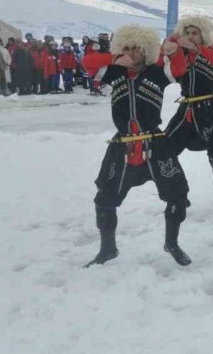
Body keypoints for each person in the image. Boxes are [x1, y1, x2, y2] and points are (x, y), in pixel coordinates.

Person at [81, 25, 193, 268]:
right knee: (104, 199)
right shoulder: (113, 72)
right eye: (127, 48)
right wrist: (114, 59)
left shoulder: (157, 73)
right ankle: (108, 249)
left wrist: (175, 50)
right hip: (122, 147)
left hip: (155, 143)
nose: (131, 53)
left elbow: (180, 69)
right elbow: (87, 62)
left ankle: (171, 244)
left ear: (147, 51)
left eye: (137, 49)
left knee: (178, 194)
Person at [164, 15, 213, 212]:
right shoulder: (182, 54)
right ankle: (180, 192)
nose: (191, 36)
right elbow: (175, 72)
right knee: (167, 150)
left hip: (208, 107)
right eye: (188, 33)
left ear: (203, 35)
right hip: (186, 107)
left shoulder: (210, 52)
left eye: (195, 33)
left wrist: (196, 48)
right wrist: (171, 43)